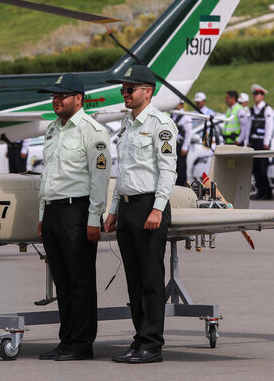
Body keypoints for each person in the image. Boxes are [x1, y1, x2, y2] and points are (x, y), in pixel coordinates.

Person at [103, 65, 177, 364]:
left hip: (149, 206)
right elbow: (121, 172)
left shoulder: (161, 123)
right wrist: (113, 210)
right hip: (128, 205)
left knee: (150, 279)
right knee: (134, 280)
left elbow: (168, 169)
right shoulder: (127, 124)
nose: (125, 93)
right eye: (123, 89)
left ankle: (152, 344)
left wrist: (158, 208)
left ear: (148, 91)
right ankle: (139, 339)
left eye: (130, 89)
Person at [36, 73, 111, 361]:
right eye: (54, 95)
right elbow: (48, 177)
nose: (56, 100)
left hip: (76, 211)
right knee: (62, 282)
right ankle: (66, 340)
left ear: (79, 99)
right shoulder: (53, 130)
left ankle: (82, 343)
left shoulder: (92, 131)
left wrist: (94, 218)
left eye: (62, 95)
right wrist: (43, 214)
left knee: (80, 281)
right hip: (54, 211)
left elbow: (99, 178)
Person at [247, 83, 274, 200]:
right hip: (253, 142)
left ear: (262, 96)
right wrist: (247, 141)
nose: (255, 96)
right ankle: (260, 191)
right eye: (254, 94)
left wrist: (266, 142)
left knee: (263, 170)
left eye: (258, 94)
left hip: (262, 143)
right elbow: (248, 127)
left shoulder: (267, 109)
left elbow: (269, 127)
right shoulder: (252, 110)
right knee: (255, 169)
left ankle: (267, 193)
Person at [171, 101, 192, 186]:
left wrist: (185, 147)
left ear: (182, 105)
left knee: (181, 168)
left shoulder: (186, 117)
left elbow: (188, 133)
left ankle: (182, 186)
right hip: (173, 146)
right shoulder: (172, 115)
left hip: (181, 146)